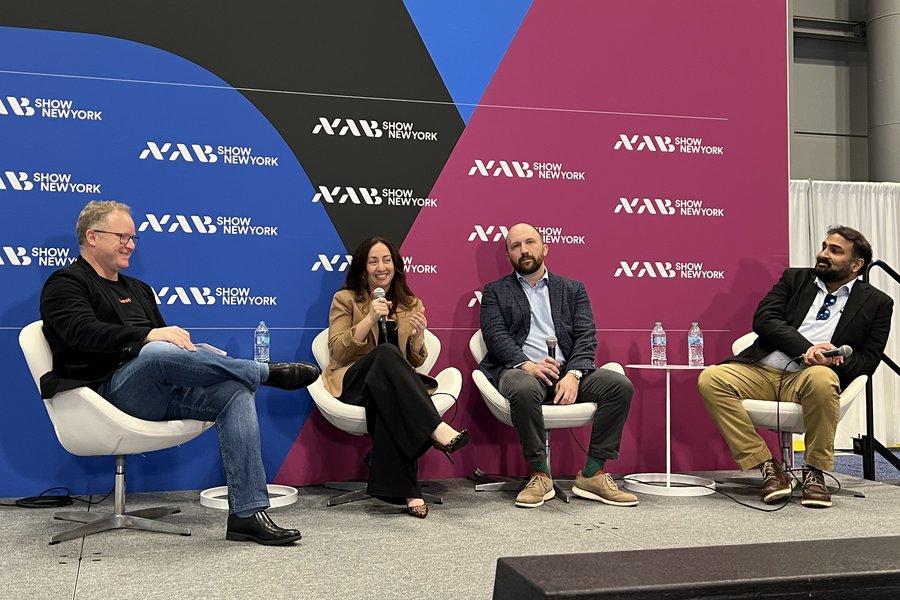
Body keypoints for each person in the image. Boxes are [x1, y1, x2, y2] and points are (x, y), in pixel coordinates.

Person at [40, 200, 320, 545]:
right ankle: (263, 372)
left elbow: (164, 347)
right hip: (106, 393)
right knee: (157, 349)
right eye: (122, 237)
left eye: (133, 238)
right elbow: (81, 333)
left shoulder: (137, 289)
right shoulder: (65, 283)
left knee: (234, 391)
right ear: (92, 236)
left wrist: (180, 347)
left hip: (159, 389)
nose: (130, 244)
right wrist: (148, 337)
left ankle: (246, 515)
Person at [698, 226, 893, 508]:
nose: (823, 254)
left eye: (835, 251)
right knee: (711, 378)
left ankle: (814, 471)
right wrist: (806, 349)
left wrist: (836, 357)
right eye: (824, 247)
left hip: (811, 377)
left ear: (856, 265)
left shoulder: (878, 303)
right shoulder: (795, 279)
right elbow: (765, 320)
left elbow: (869, 360)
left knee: (823, 378)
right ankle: (766, 465)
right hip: (763, 369)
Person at [479, 223, 638, 508]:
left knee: (619, 386)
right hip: (520, 371)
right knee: (523, 388)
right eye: (516, 246)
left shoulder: (572, 289)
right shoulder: (495, 292)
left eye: (530, 242)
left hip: (567, 370)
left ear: (545, 248)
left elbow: (586, 335)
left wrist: (575, 374)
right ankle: (541, 474)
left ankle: (592, 473)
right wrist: (526, 365)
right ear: (508, 256)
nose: (524, 250)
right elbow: (496, 337)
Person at [323, 236, 468, 518]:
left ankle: (408, 489)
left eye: (386, 260)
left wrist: (417, 338)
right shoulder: (346, 299)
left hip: (387, 387)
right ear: (363, 268)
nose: (381, 267)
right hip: (354, 381)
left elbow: (414, 360)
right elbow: (338, 351)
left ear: (396, 265)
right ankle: (436, 429)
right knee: (386, 353)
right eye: (373, 261)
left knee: (387, 400)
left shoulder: (410, 303)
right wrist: (368, 319)